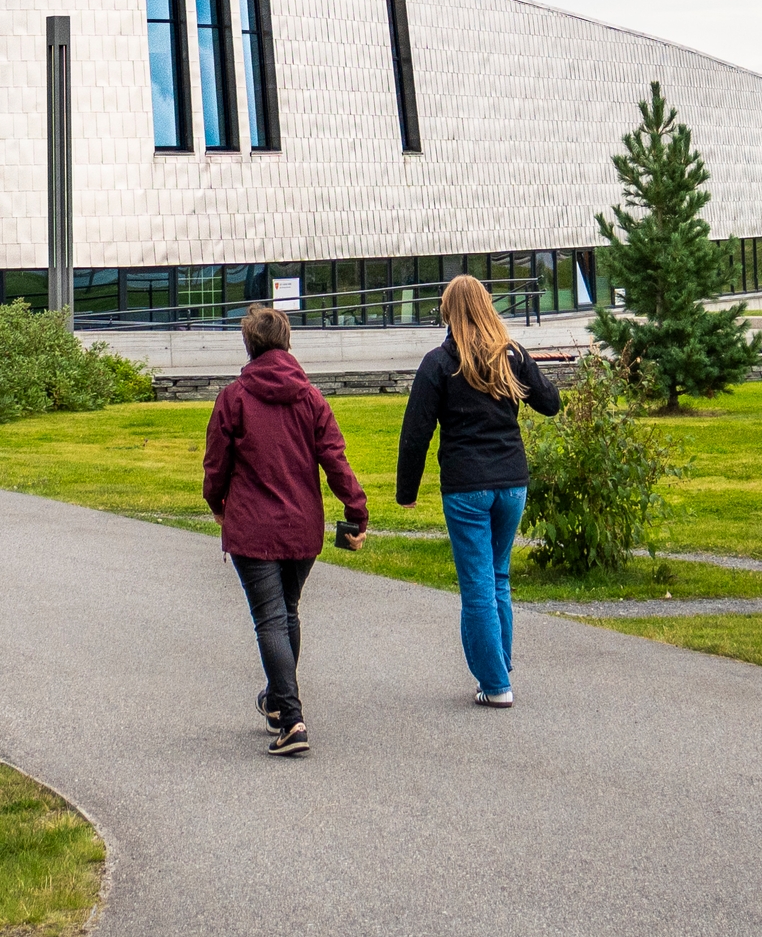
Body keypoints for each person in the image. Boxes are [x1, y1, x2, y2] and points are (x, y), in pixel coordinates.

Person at [202, 301, 366, 756]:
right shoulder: (311, 398)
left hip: (253, 527)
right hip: (301, 527)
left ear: (250, 344)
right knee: (287, 612)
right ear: (286, 341)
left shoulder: (233, 398)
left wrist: (217, 504)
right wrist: (357, 510)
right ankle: (277, 703)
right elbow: (335, 459)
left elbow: (216, 464)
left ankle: (291, 719)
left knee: (271, 618)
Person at [394, 272, 561, 707]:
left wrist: (406, 490)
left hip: (467, 486)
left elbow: (416, 431)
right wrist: (524, 367)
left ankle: (495, 684)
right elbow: (549, 402)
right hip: (511, 483)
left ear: (449, 311)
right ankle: (499, 667)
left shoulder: (439, 363)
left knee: (478, 586)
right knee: (498, 577)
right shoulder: (511, 355)